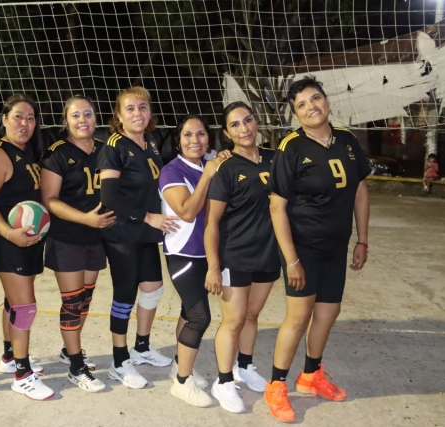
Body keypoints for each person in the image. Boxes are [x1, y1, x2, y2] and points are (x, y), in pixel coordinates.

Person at [263, 76, 370, 423]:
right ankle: (276, 385)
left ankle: (310, 375)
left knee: (328, 312)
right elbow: (277, 207)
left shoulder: (348, 140)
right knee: (299, 316)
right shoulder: (290, 147)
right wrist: (291, 260)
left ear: (326, 100)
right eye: (302, 105)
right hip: (301, 246)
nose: (311, 107)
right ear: (296, 113)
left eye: (315, 99)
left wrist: (362, 239)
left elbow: (360, 191)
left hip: (335, 246)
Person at [96, 86, 178, 389]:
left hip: (144, 232)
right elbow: (109, 196)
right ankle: (119, 361)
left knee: (154, 288)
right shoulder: (114, 146)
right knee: (125, 295)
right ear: (118, 115)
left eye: (142, 107)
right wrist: (148, 217)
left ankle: (141, 347)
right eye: (130, 108)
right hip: (121, 231)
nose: (137, 113)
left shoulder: (150, 143)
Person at [0, 93, 53, 400]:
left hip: (27, 241)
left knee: (12, 302)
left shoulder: (26, 152)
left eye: (30, 117)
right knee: (25, 307)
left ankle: (9, 358)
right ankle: (22, 375)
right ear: (4, 119)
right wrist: (10, 234)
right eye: (18, 116)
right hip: (9, 242)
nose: (25, 123)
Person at [204, 102, 280, 414]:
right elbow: (211, 223)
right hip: (235, 255)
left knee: (251, 316)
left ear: (256, 121)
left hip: (268, 254)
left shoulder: (277, 159)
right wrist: (213, 266)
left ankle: (244, 366)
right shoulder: (227, 167)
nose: (244, 128)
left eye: (247, 120)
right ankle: (223, 381)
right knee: (233, 320)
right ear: (226, 133)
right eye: (235, 125)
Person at [40, 95, 113, 393]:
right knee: (72, 303)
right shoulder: (57, 153)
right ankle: (75, 368)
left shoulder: (106, 151)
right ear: (66, 121)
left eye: (88, 114)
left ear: (96, 118)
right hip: (67, 237)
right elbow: (49, 200)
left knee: (85, 299)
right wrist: (85, 219)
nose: (83, 120)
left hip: (96, 236)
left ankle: (69, 350)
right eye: (76, 115)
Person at [159, 114, 230, 407]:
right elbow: (187, 211)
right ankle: (182, 382)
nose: (195, 140)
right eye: (188, 135)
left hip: (207, 252)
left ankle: (180, 364)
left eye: (201, 134)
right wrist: (209, 173)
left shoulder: (207, 165)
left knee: (190, 312)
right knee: (200, 316)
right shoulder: (171, 171)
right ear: (178, 140)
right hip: (183, 254)